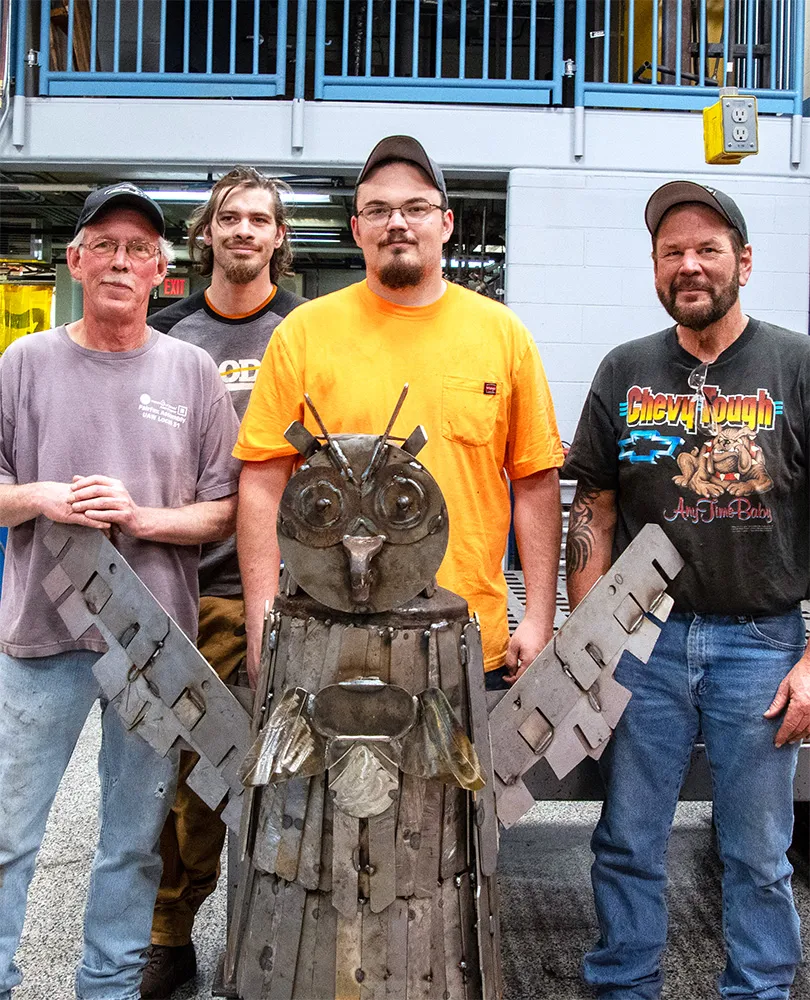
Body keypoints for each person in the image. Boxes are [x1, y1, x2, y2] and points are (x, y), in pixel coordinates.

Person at [565, 180, 810, 1000]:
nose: (690, 265)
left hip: (762, 642)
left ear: (744, 261)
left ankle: (760, 990)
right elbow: (593, 510)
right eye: (673, 253)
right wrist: (587, 645)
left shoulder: (796, 364)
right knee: (628, 838)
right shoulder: (625, 368)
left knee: (757, 852)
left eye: (708, 250)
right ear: (656, 267)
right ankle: (625, 987)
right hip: (645, 638)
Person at [0, 182, 241, 1000]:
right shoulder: (23, 363)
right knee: (8, 835)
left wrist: (140, 517)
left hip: (151, 646)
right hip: (40, 639)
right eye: (103, 244)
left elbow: (226, 510)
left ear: (161, 271)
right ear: (75, 260)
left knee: (135, 841)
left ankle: (106, 988)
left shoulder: (192, 372)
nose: (120, 260)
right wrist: (41, 499)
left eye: (138, 249)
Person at [234, 134, 564, 691]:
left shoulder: (503, 336)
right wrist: (262, 618)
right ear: (357, 227)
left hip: (467, 641)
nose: (398, 223)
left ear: (447, 223)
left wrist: (537, 616)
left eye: (416, 208)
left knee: (467, 780)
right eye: (379, 210)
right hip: (329, 638)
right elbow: (263, 482)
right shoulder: (304, 333)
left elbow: (535, 481)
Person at [142, 166, 304, 999]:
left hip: (288, 595)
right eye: (229, 218)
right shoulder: (166, 336)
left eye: (260, 220)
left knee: (289, 777)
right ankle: (172, 930)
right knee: (185, 780)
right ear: (208, 233)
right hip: (186, 587)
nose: (244, 231)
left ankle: (281, 945)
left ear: (280, 237)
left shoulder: (306, 336)